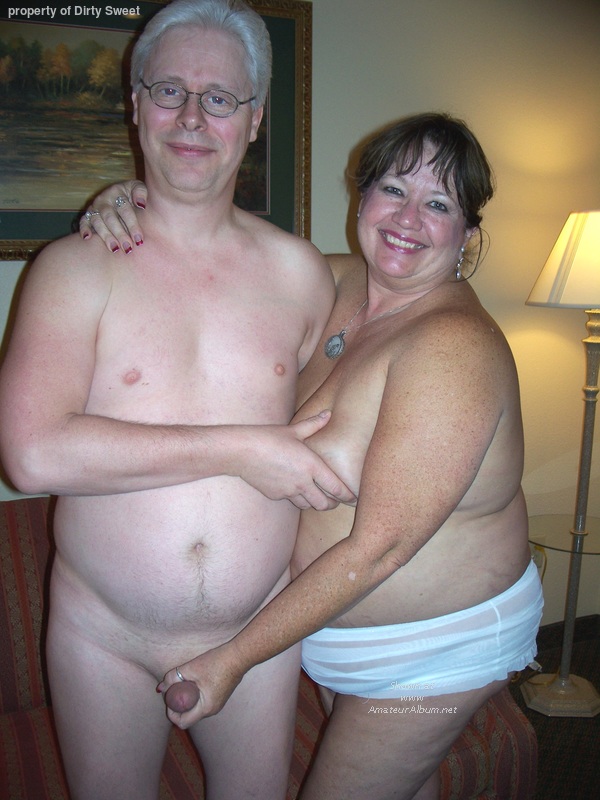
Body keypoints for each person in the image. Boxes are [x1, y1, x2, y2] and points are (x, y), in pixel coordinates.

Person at [84, 112, 543, 800]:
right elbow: (216, 256)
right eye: (394, 189)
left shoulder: (454, 347)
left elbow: (382, 548)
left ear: (467, 234)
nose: (407, 218)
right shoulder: (334, 282)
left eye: (439, 204)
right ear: (362, 197)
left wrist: (233, 660)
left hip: (434, 651)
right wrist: (133, 202)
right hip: (335, 632)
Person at [0, 2, 357, 799]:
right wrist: (243, 449)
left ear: (255, 120)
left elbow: (393, 293)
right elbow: (31, 454)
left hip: (255, 630)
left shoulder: (302, 273)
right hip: (104, 635)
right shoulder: (74, 268)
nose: (193, 117)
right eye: (169, 91)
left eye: (220, 98)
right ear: (136, 106)